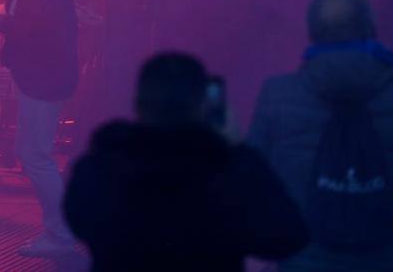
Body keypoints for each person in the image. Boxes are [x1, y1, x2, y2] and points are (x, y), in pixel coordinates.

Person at [65, 52, 310, 271]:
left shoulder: (101, 166)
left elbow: (78, 222)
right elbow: (288, 237)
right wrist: (238, 150)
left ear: (137, 103)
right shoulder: (228, 170)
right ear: (204, 105)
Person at [249, 0, 393, 271]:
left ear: (313, 33)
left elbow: (256, 180)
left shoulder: (278, 96)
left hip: (305, 261)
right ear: (370, 28)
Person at [0, 0, 83, 257]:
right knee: (33, 152)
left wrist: (7, 25)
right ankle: (60, 229)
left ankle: (61, 232)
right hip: (41, 73)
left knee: (35, 155)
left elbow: (40, 29)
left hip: (45, 74)